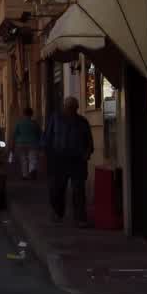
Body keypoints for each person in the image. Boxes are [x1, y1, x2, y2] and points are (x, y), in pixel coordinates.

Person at [42, 96, 94, 227]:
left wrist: (87, 153)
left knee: (78, 190)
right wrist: (46, 155)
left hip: (77, 161)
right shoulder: (55, 119)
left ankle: (80, 218)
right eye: (68, 107)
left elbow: (89, 141)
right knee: (57, 189)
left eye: (73, 107)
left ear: (76, 108)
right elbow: (47, 138)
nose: (70, 110)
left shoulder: (82, 122)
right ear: (64, 107)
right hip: (59, 159)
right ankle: (58, 212)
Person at [12, 107, 43, 180]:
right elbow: (40, 134)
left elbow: (15, 134)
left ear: (23, 114)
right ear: (32, 114)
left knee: (23, 159)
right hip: (33, 143)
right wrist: (40, 144)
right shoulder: (35, 123)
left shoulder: (19, 123)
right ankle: (32, 170)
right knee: (33, 158)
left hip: (21, 143)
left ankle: (25, 175)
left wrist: (12, 145)